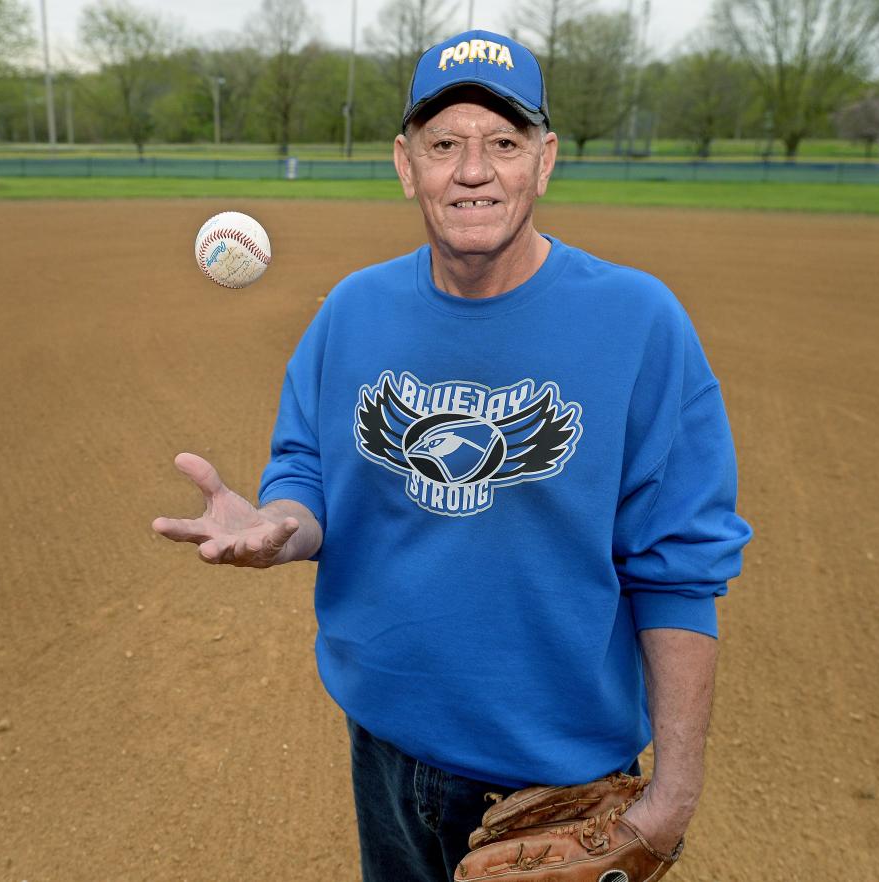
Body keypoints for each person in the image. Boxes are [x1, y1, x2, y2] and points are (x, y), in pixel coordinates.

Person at [152, 29, 752, 882]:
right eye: (445, 145)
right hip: (386, 749)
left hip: (557, 775)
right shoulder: (353, 312)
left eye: (503, 143)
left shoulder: (639, 324)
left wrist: (670, 804)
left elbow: (680, 568)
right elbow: (307, 469)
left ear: (544, 161)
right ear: (407, 165)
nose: (474, 171)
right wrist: (281, 522)